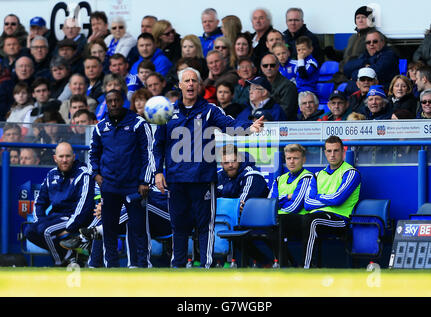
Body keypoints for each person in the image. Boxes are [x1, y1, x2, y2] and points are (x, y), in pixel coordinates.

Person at [153, 67, 264, 269]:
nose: (190, 84)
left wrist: (249, 127)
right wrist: (158, 172)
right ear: (179, 85)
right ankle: (177, 266)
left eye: (194, 80)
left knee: (205, 225)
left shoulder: (210, 110)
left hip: (202, 178)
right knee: (178, 226)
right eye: (186, 81)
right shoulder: (167, 112)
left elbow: (230, 125)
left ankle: (206, 265)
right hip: (176, 179)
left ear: (200, 85)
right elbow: (158, 144)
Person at [88, 88, 154, 268]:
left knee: (138, 228)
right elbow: (93, 154)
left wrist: (144, 181)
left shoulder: (138, 124)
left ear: (123, 101)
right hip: (109, 186)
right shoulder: (100, 127)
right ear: (106, 104)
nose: (114, 104)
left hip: (134, 187)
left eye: (117, 100)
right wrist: (96, 174)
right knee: (109, 229)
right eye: (110, 101)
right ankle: (111, 265)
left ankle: (142, 265)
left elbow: (148, 154)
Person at [23, 142, 95, 266]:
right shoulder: (51, 175)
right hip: (55, 218)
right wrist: (39, 221)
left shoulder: (83, 174)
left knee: (46, 231)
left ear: (74, 157)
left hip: (74, 219)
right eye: (61, 157)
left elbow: (84, 207)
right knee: (29, 231)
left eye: (68, 156)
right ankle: (69, 256)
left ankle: (60, 263)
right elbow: (39, 202)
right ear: (55, 158)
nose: (64, 160)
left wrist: (69, 229)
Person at [303, 136, 361, 269]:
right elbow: (307, 203)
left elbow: (338, 200)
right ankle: (282, 265)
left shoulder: (351, 173)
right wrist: (329, 199)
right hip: (318, 215)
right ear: (325, 153)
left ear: (343, 151)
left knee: (312, 220)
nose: (332, 155)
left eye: (336, 151)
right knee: (285, 221)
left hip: (340, 220)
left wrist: (319, 197)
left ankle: (306, 268)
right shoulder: (317, 175)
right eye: (329, 151)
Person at [269, 143, 314, 267]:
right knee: (270, 225)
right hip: (281, 218)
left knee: (279, 221)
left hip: (301, 220)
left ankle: (284, 265)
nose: (292, 162)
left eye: (296, 158)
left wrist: (279, 203)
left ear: (303, 160)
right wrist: (287, 196)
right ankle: (287, 264)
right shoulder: (279, 179)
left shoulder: (307, 177)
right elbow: (270, 203)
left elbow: (296, 206)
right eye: (289, 158)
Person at [260, 53, 298, 120]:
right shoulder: (259, 83)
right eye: (265, 66)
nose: (269, 68)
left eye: (272, 65)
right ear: (261, 67)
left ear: (278, 66)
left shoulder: (288, 86)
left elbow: (285, 112)